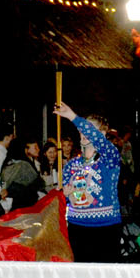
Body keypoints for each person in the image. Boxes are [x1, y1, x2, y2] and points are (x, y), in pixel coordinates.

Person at [53, 102, 121, 263]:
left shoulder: (110, 159)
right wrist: (65, 195)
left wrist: (72, 117)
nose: (82, 131)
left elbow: (99, 141)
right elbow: (66, 198)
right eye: (82, 128)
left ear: (102, 134)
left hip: (105, 228)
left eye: (89, 128)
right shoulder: (71, 164)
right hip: (77, 227)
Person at [0, 138, 45, 211]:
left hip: (12, 206)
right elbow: (39, 184)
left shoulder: (7, 163)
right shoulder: (24, 165)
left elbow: (3, 182)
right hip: (27, 204)